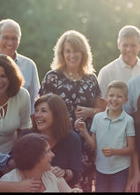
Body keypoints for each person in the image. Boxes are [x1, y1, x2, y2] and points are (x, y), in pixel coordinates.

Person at [39, 30, 107, 192]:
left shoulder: (91, 79)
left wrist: (90, 111)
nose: (72, 55)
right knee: (58, 182)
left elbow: (103, 110)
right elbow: (40, 110)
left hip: (85, 141)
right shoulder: (52, 77)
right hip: (59, 141)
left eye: (76, 51)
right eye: (67, 51)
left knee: (83, 184)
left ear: (83, 53)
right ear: (61, 53)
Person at [75, 81, 135, 192]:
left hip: (120, 170)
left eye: (119, 96)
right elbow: (93, 145)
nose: (114, 99)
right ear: (106, 97)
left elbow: (131, 149)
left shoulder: (128, 120)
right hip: (100, 169)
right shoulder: (97, 118)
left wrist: (114, 152)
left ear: (126, 100)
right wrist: (83, 131)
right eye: (111, 95)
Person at [27, 93, 83, 186]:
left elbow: (76, 174)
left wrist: (63, 173)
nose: (38, 115)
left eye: (44, 111)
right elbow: (12, 162)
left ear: (57, 114)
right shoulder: (28, 136)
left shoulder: (72, 139)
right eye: (36, 111)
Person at [0, 133, 83, 192]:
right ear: (34, 156)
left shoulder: (52, 173)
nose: (53, 155)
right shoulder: (8, 181)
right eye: (48, 151)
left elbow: (67, 191)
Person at [97, 25, 140, 97]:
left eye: (133, 45)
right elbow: (101, 104)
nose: (129, 49)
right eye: (125, 45)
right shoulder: (106, 72)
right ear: (118, 45)